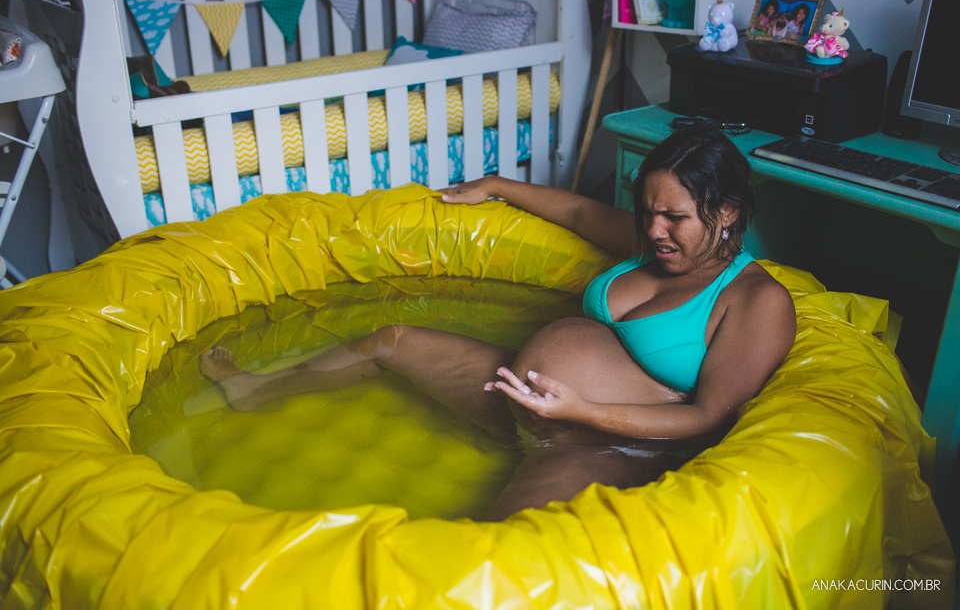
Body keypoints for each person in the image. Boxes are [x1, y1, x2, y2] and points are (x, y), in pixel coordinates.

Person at [199, 124, 797, 521]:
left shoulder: (754, 301)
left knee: (499, 547)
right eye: (647, 212)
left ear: (726, 213)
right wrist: (494, 186)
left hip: (601, 444)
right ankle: (256, 388)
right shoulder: (653, 244)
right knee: (392, 340)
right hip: (523, 397)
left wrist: (580, 414)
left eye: (674, 216)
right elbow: (582, 210)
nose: (655, 230)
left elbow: (706, 418)